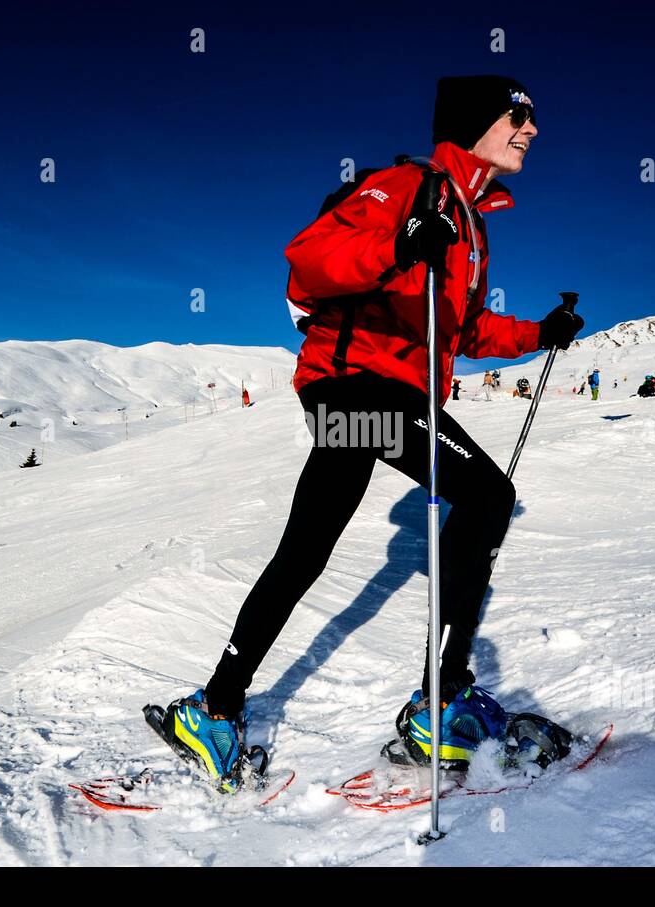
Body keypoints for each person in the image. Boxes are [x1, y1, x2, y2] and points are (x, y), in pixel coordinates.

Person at [161, 76, 584, 789]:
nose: (532, 128)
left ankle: (212, 708)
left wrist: (539, 332)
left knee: (305, 551)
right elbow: (311, 259)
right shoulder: (404, 188)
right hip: (355, 384)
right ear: (474, 122)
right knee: (484, 495)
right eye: (519, 115)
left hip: (383, 388)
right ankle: (440, 702)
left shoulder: (471, 223)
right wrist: (398, 246)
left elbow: (464, 328)